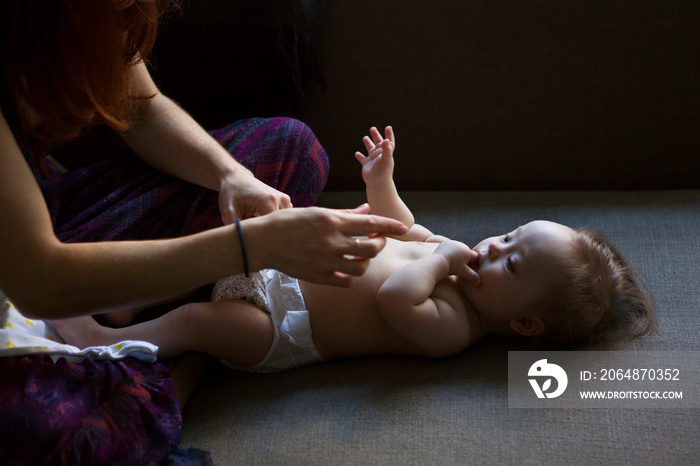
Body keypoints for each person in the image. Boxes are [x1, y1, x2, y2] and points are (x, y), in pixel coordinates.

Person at [0, 1, 406, 464]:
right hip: (28, 270)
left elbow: (143, 109)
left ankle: (132, 315)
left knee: (292, 151)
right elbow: (37, 279)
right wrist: (248, 247)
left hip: (50, 211)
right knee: (65, 437)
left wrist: (231, 175)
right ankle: (165, 354)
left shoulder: (100, 20)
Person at [54, 126, 658, 374]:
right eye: (509, 235)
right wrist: (381, 183)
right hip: (278, 262)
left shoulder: (455, 328)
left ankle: (102, 344)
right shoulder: (451, 253)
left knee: (199, 319)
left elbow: (397, 297)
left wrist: (442, 261)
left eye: (511, 262)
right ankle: (126, 302)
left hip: (281, 325)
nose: (492, 247)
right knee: (204, 253)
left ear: (523, 321)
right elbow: (400, 227)